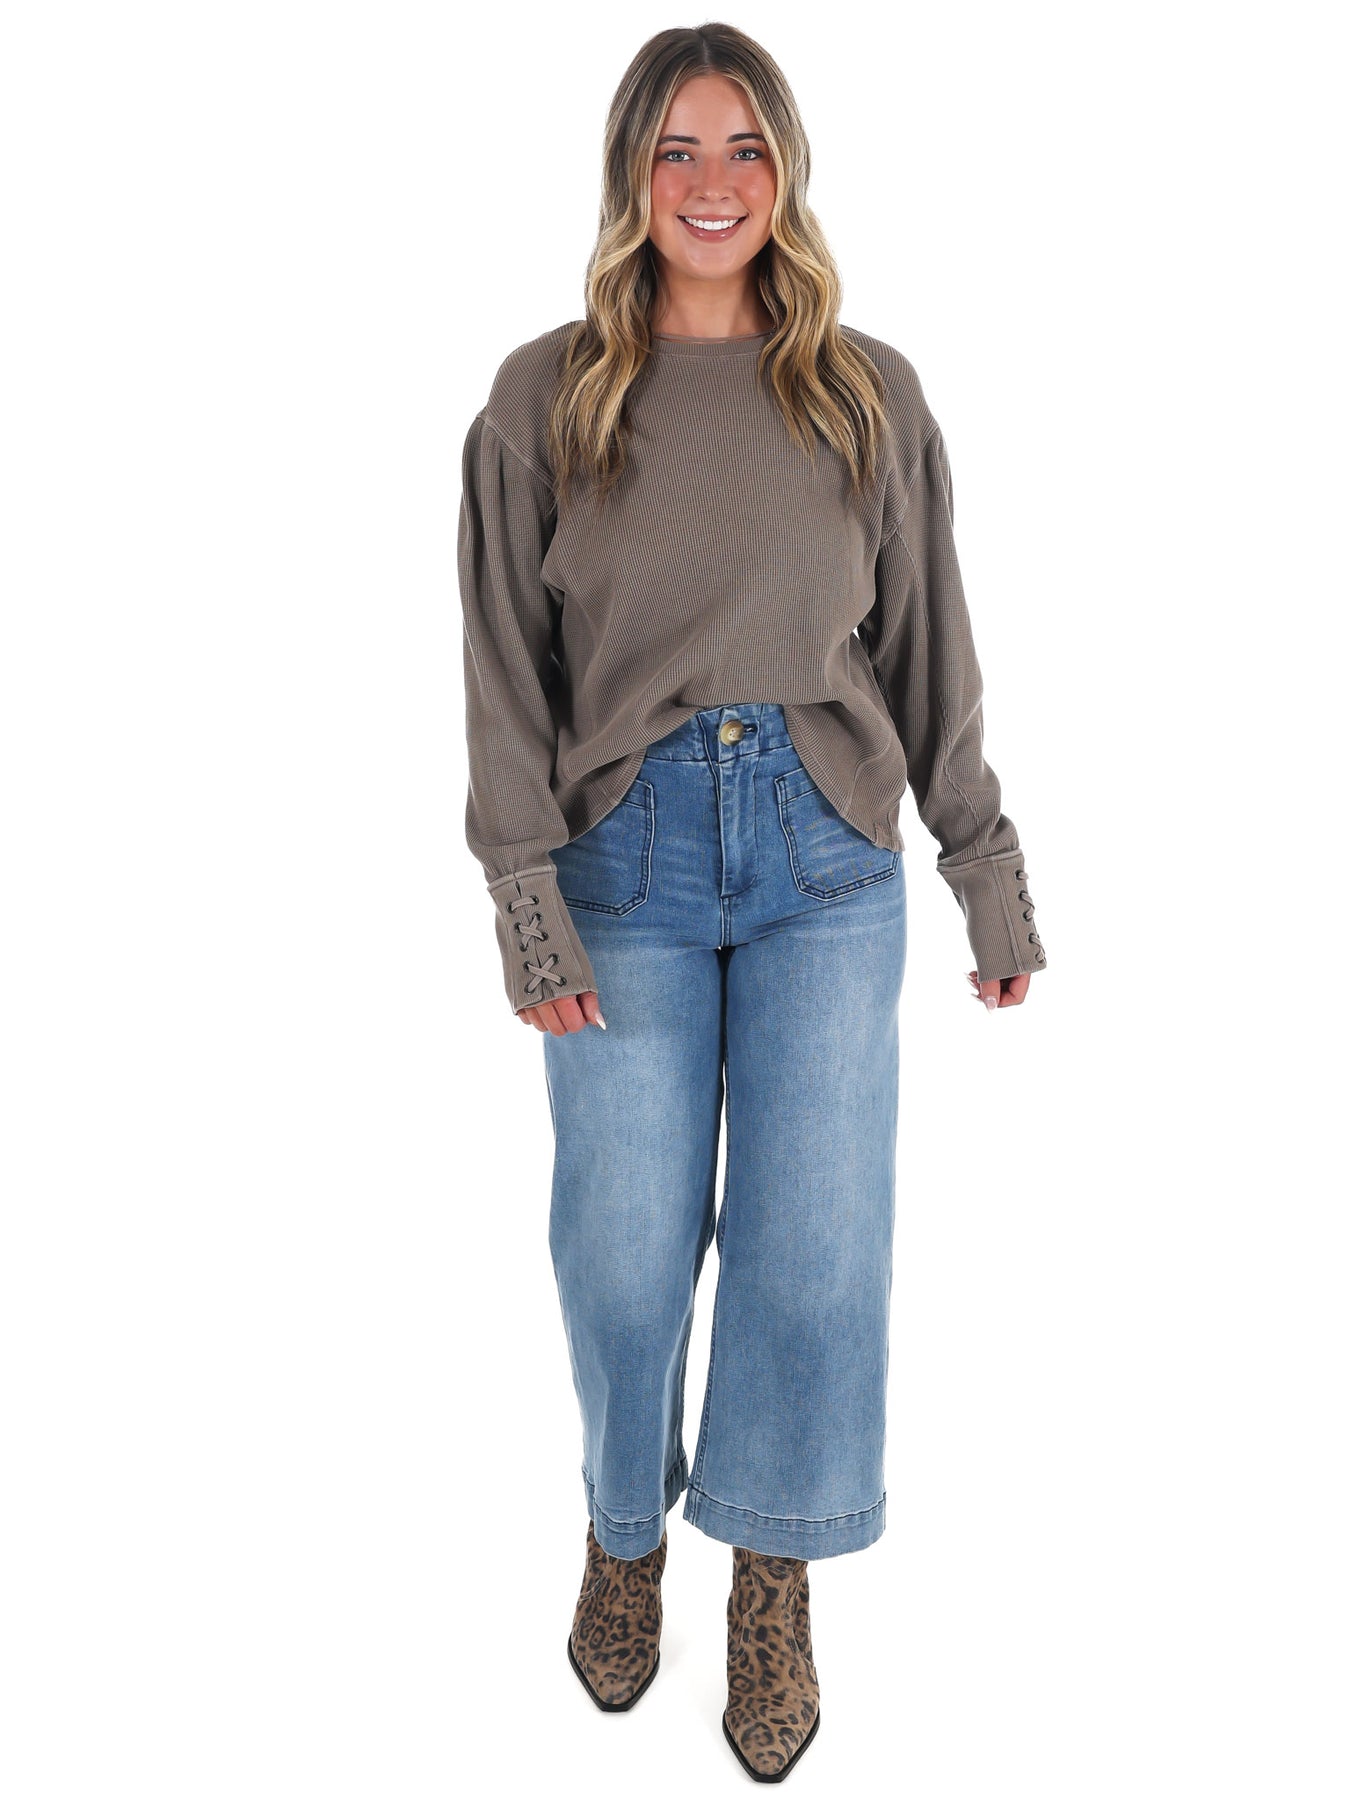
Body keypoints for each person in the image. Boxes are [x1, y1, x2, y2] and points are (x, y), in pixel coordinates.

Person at [456, 21, 1048, 1782]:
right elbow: (501, 675)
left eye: (742, 149)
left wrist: (984, 869)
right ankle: (622, 1531)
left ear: (784, 172)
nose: (710, 185)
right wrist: (524, 901)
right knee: (622, 1250)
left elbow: (931, 645)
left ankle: (770, 1574)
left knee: (813, 1248)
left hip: (823, 854)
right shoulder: (542, 396)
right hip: (621, 854)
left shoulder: (865, 392)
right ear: (628, 176)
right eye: (674, 150)